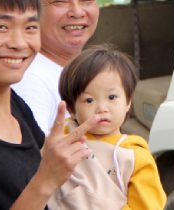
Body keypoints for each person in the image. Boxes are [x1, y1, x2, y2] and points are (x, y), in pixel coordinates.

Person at [0, 0, 99, 210]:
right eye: (1, 27)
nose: (19, 43)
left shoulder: (15, 106)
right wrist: (46, 179)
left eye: (30, 27)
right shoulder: (31, 86)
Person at [48, 45, 166, 209]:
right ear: (71, 109)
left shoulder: (133, 157)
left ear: (128, 102)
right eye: (89, 100)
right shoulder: (62, 140)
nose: (102, 108)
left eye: (112, 97)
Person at [13, 0, 99, 134]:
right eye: (60, 2)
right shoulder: (30, 81)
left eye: (86, 0)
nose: (77, 12)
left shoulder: (82, 70)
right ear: (32, 10)